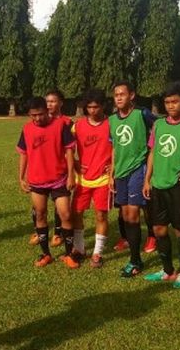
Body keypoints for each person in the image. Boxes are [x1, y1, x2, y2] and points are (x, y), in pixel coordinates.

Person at [142, 82, 180, 289]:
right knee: (159, 229)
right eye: (167, 102)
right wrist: (147, 180)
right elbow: (152, 152)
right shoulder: (158, 125)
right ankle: (167, 270)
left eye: (174, 101)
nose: (170, 106)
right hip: (158, 185)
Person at [17, 96, 78, 268]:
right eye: (33, 115)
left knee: (66, 214)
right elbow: (24, 153)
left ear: (47, 110)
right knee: (40, 214)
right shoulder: (27, 129)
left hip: (59, 179)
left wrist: (71, 175)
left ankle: (68, 254)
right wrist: (21, 177)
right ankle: (46, 254)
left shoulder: (60, 126)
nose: (37, 118)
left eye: (40, 114)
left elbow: (69, 151)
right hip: (37, 180)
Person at [109, 81, 155, 277]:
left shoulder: (142, 115)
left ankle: (135, 261)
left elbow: (161, 127)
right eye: (116, 95)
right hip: (120, 173)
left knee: (134, 214)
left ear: (132, 95)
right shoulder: (111, 120)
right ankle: (135, 257)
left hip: (138, 169)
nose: (119, 98)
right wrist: (111, 174)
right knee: (126, 215)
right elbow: (114, 148)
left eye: (122, 94)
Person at [71, 89, 112, 268]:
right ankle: (79, 248)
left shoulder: (112, 124)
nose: (92, 111)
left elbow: (121, 147)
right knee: (76, 213)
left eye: (96, 107)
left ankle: (97, 253)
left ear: (103, 106)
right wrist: (74, 162)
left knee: (101, 214)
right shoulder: (78, 125)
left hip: (103, 178)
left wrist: (114, 166)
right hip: (82, 179)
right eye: (89, 107)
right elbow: (64, 147)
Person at [29, 90, 68, 248]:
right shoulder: (37, 121)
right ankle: (39, 232)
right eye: (48, 101)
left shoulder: (66, 122)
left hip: (59, 170)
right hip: (41, 172)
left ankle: (58, 233)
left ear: (60, 103)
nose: (50, 104)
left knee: (60, 206)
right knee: (38, 207)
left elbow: (72, 148)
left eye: (53, 101)